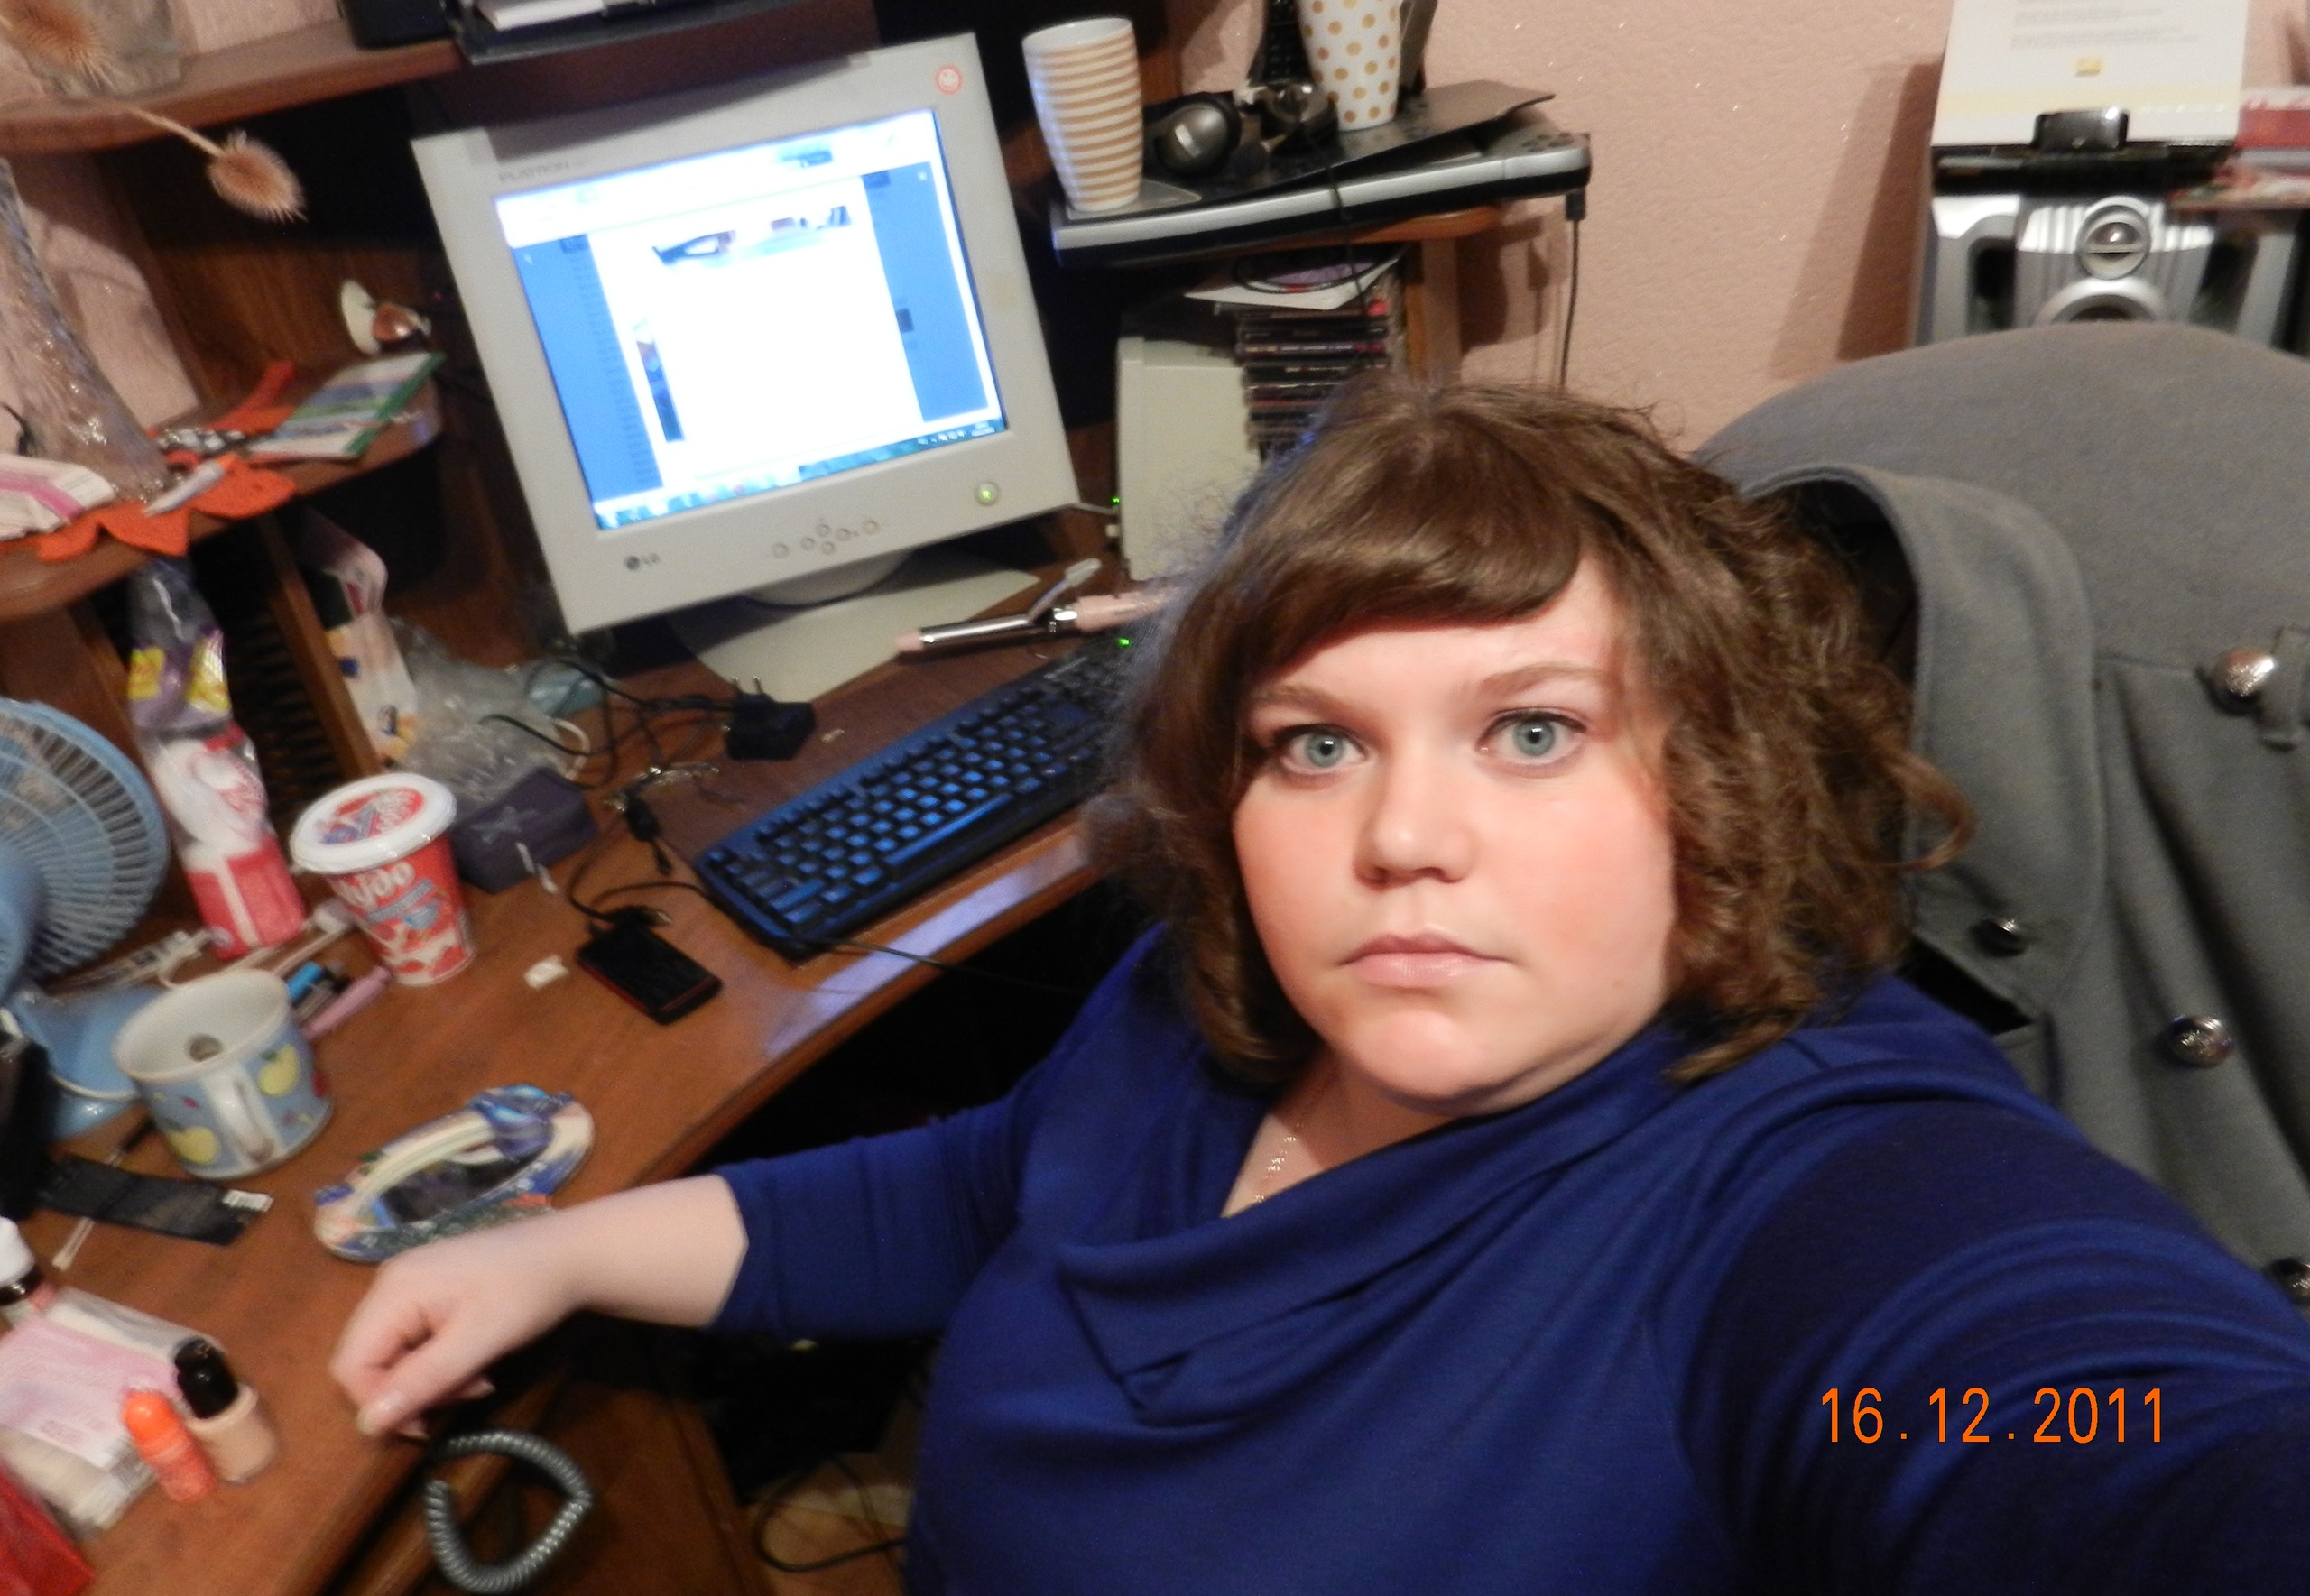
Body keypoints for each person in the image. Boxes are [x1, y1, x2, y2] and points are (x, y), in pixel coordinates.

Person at [334, 377, 2310, 1595]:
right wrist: (555, 1254)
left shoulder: (1809, 1207)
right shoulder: (1203, 1014)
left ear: (1716, 781)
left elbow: (2076, 1427)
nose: (1399, 838)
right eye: (1316, 743)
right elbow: (974, 1190)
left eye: (1530, 732)